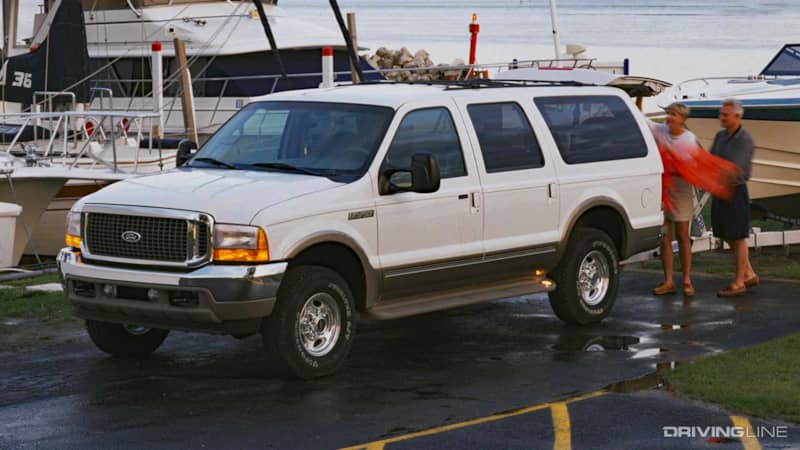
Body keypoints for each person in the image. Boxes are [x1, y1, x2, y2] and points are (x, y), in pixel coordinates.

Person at [710, 98, 759, 297]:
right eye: (720, 114)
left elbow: (733, 169)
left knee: (738, 237)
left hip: (735, 191)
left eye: (725, 114)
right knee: (725, 234)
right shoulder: (720, 136)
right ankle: (749, 273)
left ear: (737, 116)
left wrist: (711, 172)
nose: (721, 117)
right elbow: (711, 159)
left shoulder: (745, 140)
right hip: (720, 190)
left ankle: (739, 282)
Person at [651, 103, 700, 297]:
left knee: (682, 234)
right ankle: (669, 281)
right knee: (664, 235)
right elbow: (641, 119)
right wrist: (637, 97)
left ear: (682, 119)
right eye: (668, 114)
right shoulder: (661, 130)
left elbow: (697, 165)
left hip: (681, 186)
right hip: (663, 185)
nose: (669, 117)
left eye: (673, 114)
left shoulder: (689, 139)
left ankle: (687, 280)